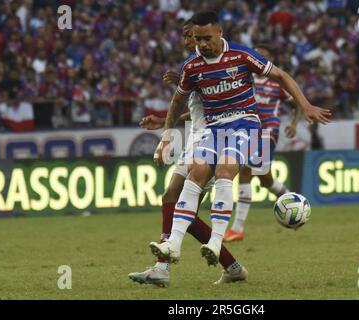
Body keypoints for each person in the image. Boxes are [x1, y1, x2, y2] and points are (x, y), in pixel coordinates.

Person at [151, 11, 330, 268]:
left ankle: (216, 241)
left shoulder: (241, 55)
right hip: (212, 130)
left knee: (229, 170)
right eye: (197, 38)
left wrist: (306, 105)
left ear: (220, 33)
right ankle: (173, 245)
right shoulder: (192, 66)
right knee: (196, 172)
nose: (202, 44)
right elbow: (178, 100)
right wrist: (166, 136)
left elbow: (280, 76)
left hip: (244, 124)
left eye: (207, 38)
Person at [128, 19, 247, 287]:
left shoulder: (210, 64)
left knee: (179, 202)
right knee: (174, 199)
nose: (186, 41)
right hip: (198, 138)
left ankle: (165, 267)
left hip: (214, 141)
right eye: (185, 36)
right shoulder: (192, 66)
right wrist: (164, 122)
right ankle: (230, 266)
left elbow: (219, 106)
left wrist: (167, 133)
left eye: (190, 36)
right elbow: (195, 109)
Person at [224, 44, 302, 242]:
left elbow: (297, 104)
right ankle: (294, 203)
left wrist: (293, 124)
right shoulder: (243, 79)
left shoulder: (276, 83)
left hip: (267, 132)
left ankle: (237, 228)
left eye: (262, 56)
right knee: (264, 179)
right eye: (256, 54)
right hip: (247, 131)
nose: (257, 58)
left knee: (246, 172)